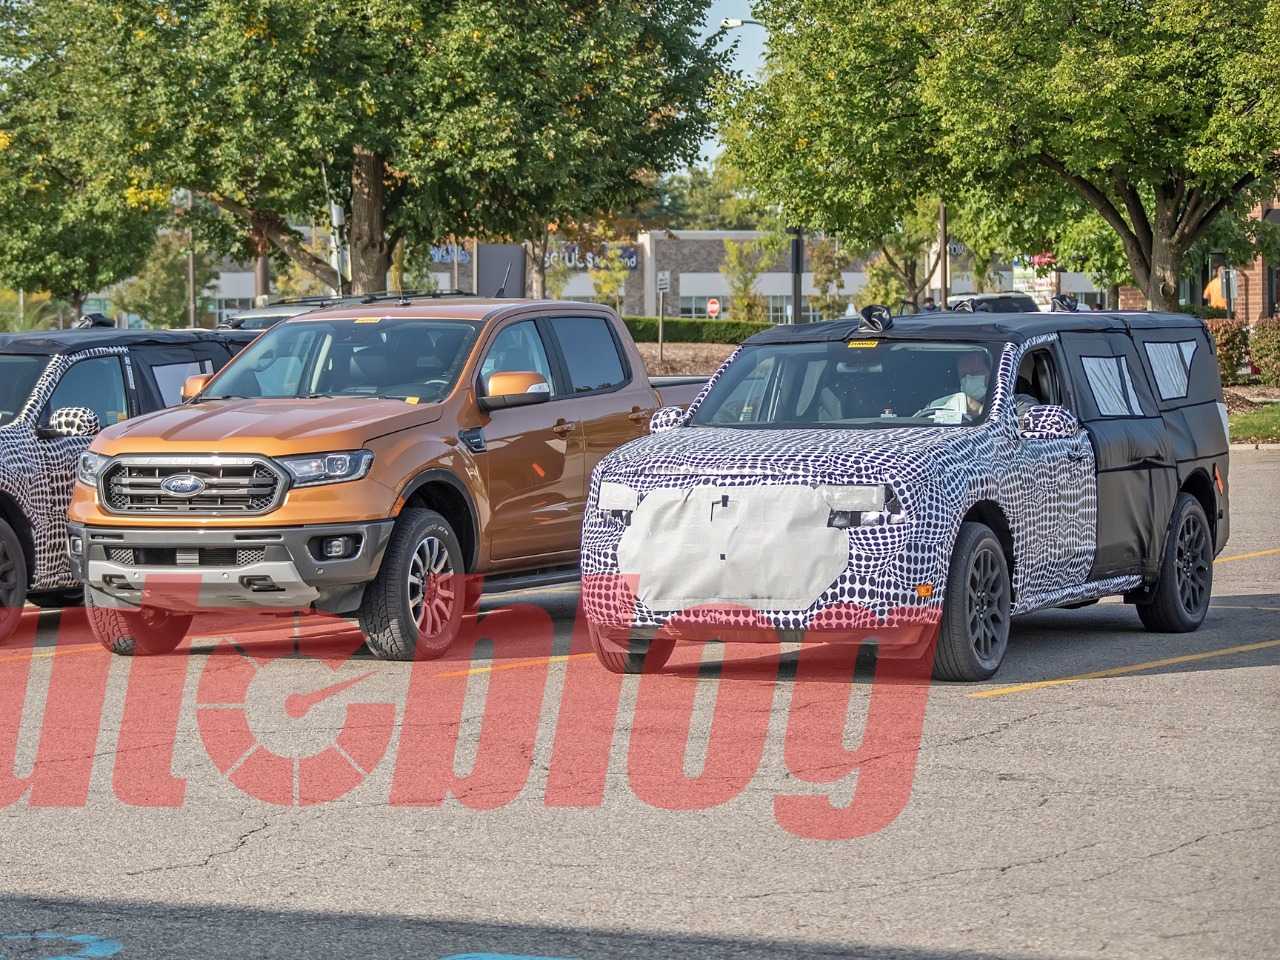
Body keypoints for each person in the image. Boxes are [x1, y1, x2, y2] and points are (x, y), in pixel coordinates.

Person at [916, 349, 990, 422]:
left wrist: (980, 410)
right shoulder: (946, 400)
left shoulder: (999, 401)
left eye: (976, 373)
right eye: (964, 375)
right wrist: (960, 403)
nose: (969, 378)